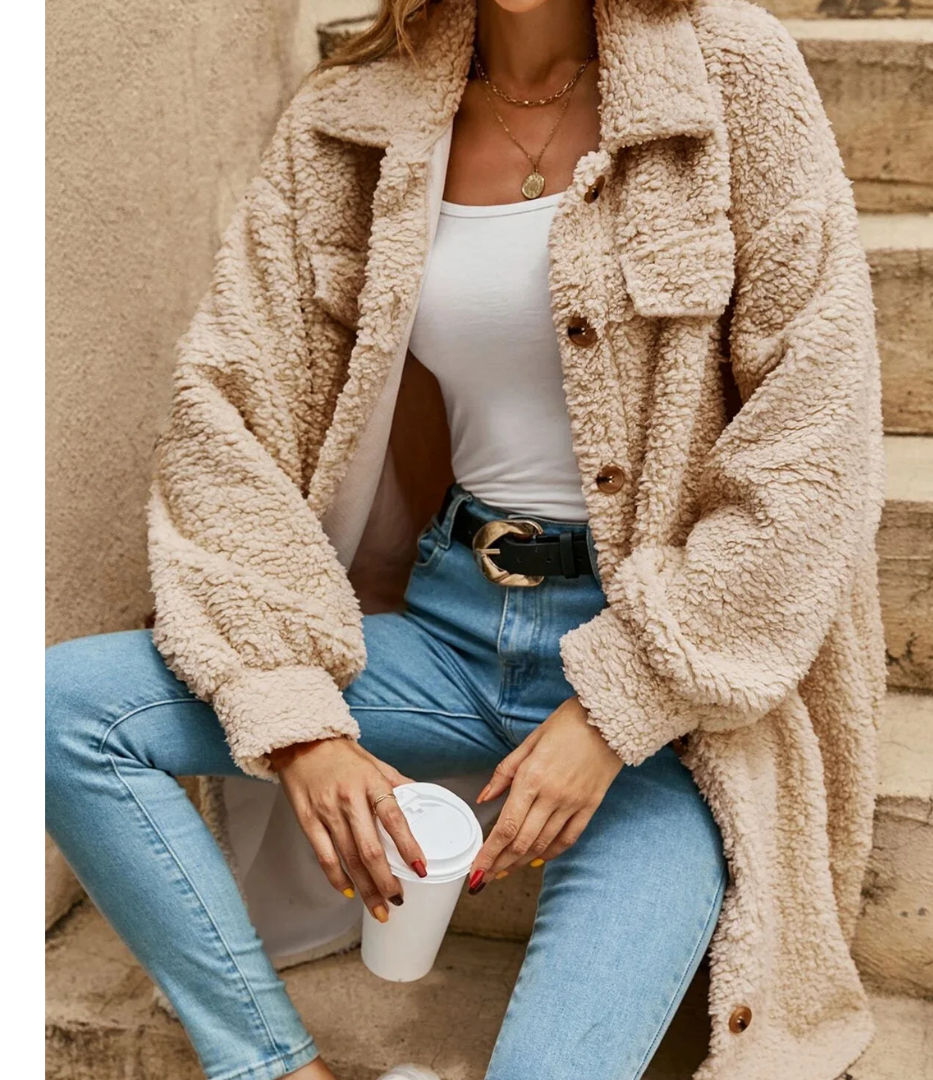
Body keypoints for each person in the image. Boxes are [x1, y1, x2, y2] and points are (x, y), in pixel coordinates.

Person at [45, 0, 889, 1078]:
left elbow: (814, 442)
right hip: (447, 629)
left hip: (660, 699)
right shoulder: (350, 116)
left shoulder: (732, 73)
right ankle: (272, 1067)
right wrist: (297, 724)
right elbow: (227, 415)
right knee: (62, 710)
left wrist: (617, 706)